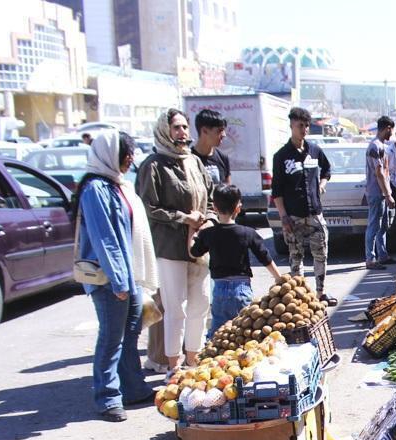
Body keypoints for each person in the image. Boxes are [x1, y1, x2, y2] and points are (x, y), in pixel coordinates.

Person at [76, 130, 154, 421]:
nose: (130, 159)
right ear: (110, 154)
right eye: (126, 153)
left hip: (128, 275)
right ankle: (107, 397)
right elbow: (104, 238)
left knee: (131, 333)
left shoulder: (117, 185)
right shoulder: (95, 189)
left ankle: (133, 388)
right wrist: (119, 281)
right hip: (110, 279)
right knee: (111, 338)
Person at [136, 108, 213, 371]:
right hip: (169, 247)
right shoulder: (153, 165)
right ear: (164, 131)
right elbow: (148, 207)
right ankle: (173, 366)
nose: (182, 133)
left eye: (184, 127)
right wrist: (183, 218)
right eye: (176, 128)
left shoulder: (195, 162)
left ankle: (194, 360)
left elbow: (210, 197)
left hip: (199, 246)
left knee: (200, 305)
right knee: (174, 308)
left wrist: (208, 219)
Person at [191, 184, 281, 336]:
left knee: (219, 333)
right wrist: (279, 278)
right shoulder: (247, 233)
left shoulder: (209, 234)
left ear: (214, 208)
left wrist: (191, 230)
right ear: (238, 208)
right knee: (245, 332)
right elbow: (265, 257)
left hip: (219, 290)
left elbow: (194, 252)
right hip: (242, 289)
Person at [272, 107, 338, 299]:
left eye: (307, 126)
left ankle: (320, 292)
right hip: (293, 215)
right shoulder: (282, 156)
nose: (304, 129)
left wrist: (322, 184)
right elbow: (277, 190)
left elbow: (327, 170)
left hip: (315, 213)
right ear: (291, 125)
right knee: (296, 257)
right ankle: (299, 296)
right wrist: (283, 216)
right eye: (300, 125)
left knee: (321, 254)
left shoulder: (315, 151)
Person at [363, 115, 396, 268]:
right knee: (374, 225)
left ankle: (382, 255)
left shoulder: (381, 146)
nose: (392, 134)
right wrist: (388, 194)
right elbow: (379, 172)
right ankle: (370, 259)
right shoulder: (375, 146)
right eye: (391, 130)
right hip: (376, 193)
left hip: (381, 192)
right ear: (387, 128)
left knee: (383, 226)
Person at [192, 108, 231, 186]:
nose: (224, 135)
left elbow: (228, 191)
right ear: (204, 131)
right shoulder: (188, 159)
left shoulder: (223, 158)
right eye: (220, 130)